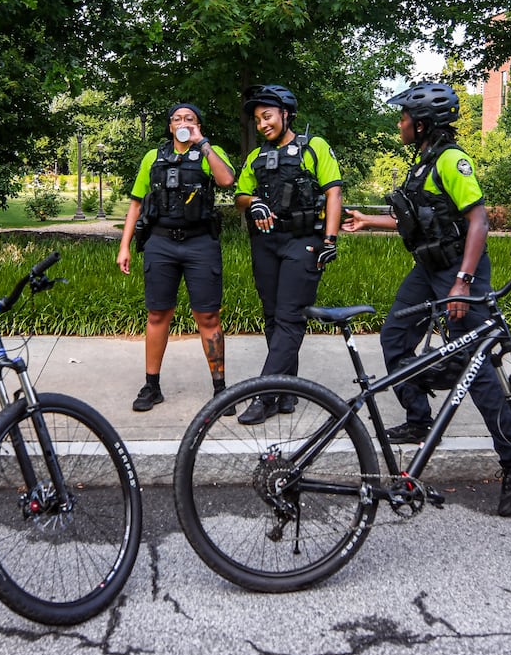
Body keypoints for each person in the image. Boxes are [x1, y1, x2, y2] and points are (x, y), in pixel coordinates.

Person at [342, 82, 511, 517]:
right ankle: (418, 417)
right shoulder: (423, 164)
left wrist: (464, 282)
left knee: (477, 364)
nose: (400, 123)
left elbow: (479, 220)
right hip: (428, 270)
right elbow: (420, 220)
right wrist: (369, 221)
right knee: (394, 337)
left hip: (459, 271)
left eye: (405, 117)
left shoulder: (452, 160)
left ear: (423, 123)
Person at [233, 84, 344, 424]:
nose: (262, 124)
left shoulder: (314, 148)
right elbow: (240, 194)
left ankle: (264, 395)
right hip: (265, 242)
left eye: (267, 116)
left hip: (303, 241)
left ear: (285, 114)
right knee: (271, 316)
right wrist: (254, 202)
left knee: (289, 317)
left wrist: (330, 240)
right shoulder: (256, 157)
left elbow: (334, 193)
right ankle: (287, 391)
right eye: (257, 119)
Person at [117, 104, 238, 411]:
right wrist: (124, 246)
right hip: (160, 243)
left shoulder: (210, 152)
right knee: (157, 314)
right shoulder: (152, 158)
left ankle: (220, 390)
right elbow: (135, 204)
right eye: (177, 119)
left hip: (201, 243)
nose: (183, 123)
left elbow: (227, 181)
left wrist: (203, 143)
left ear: (197, 125)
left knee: (208, 317)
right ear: (170, 126)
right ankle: (152, 386)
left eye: (190, 119)